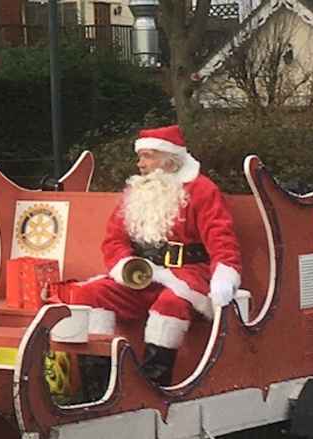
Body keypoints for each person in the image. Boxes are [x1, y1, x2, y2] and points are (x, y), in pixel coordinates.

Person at [70, 124, 242, 387]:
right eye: (141, 157)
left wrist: (225, 274)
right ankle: (99, 384)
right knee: (90, 294)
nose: (140, 164)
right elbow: (114, 241)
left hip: (187, 276)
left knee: (170, 305)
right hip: (142, 275)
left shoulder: (202, 190)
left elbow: (222, 239)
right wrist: (125, 265)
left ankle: (154, 384)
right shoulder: (137, 192)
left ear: (170, 159)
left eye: (147, 156)